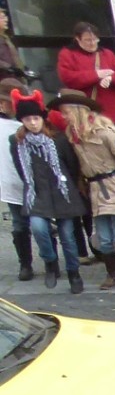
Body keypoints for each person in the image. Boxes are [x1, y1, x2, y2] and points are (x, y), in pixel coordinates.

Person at [60, 90, 115, 291]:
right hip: (94, 189)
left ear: (77, 111)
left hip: (114, 185)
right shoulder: (73, 136)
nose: (64, 117)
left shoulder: (104, 133)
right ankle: (112, 274)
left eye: (66, 112)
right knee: (103, 238)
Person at [7, 88, 86, 294]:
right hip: (37, 193)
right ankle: (50, 261)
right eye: (28, 119)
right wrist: (32, 186)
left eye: (36, 118)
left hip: (63, 192)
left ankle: (73, 272)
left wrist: (68, 186)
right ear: (22, 121)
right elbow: (21, 169)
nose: (33, 123)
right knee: (38, 228)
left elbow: (72, 165)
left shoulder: (58, 139)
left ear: (43, 118)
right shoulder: (17, 142)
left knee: (67, 236)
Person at [55, 21, 115, 132]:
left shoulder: (107, 53)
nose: (93, 43)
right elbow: (67, 77)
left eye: (95, 39)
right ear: (77, 39)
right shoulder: (68, 54)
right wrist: (97, 74)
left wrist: (111, 78)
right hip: (89, 115)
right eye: (88, 40)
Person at [0, 78, 29, 281]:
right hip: (10, 182)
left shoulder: (27, 124)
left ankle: (50, 261)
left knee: (41, 224)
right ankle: (25, 263)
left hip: (33, 182)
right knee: (19, 225)